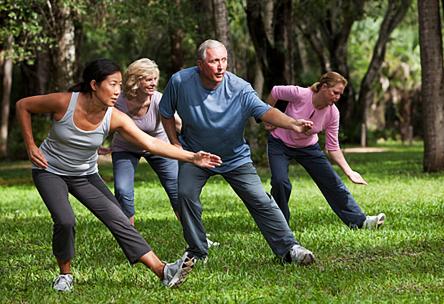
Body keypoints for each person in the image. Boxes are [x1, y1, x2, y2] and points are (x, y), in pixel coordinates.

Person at [15, 58, 222, 291]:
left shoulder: (114, 116)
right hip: (50, 170)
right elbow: (24, 105)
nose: (117, 91)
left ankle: (162, 271)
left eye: (120, 85)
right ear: (94, 85)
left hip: (85, 175)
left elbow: (151, 143)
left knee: (120, 220)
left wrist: (192, 157)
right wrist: (31, 145)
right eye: (112, 84)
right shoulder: (65, 102)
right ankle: (65, 276)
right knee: (65, 220)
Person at [159, 39, 315, 265]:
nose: (221, 66)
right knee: (185, 194)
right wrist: (175, 143)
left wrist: (293, 124)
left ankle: (289, 249)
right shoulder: (180, 82)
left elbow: (264, 110)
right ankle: (197, 251)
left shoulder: (239, 88)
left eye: (223, 60)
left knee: (261, 199)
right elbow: (166, 112)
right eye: (214, 61)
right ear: (200, 64)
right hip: (197, 156)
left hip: (234, 157)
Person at [265, 71, 385, 229]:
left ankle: (361, 221)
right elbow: (275, 91)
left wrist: (349, 172)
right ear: (323, 87)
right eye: (335, 92)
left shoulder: (333, 113)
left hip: (308, 148)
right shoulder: (301, 94)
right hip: (279, 142)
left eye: (340, 94)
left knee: (333, 182)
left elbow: (333, 147)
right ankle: (280, 226)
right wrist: (268, 116)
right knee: (280, 182)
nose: (337, 97)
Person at [101, 58, 181, 226]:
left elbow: (178, 124)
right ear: (135, 80)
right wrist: (96, 143)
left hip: (158, 147)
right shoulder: (119, 101)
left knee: (177, 191)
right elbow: (104, 121)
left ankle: (196, 234)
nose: (153, 83)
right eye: (148, 79)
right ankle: (131, 238)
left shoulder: (159, 99)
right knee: (123, 191)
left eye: (155, 79)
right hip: (125, 148)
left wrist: (188, 142)